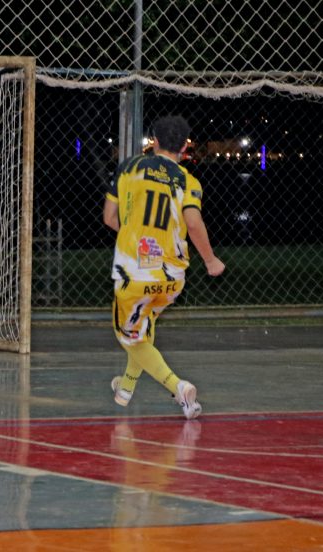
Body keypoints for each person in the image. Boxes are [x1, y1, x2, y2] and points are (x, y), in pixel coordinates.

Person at [102, 115, 225, 419]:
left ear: (153, 141)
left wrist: (134, 236)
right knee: (144, 324)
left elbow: (109, 218)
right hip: (172, 278)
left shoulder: (129, 168)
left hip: (135, 273)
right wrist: (210, 260)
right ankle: (126, 387)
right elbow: (193, 223)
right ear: (184, 146)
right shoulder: (187, 179)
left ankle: (178, 387)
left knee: (129, 334)